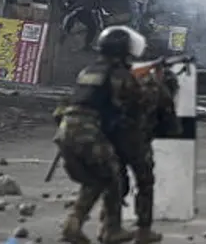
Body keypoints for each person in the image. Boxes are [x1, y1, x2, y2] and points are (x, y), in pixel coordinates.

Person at [52, 26, 146, 244]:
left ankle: (72, 224)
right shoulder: (119, 75)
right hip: (88, 133)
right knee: (114, 178)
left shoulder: (88, 71)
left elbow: (72, 102)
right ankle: (111, 230)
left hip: (66, 130)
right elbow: (134, 106)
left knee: (95, 180)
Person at [104, 59, 182, 244]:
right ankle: (143, 231)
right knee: (145, 184)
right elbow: (172, 128)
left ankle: (110, 228)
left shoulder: (121, 81)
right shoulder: (160, 90)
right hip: (136, 142)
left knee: (115, 183)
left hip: (112, 138)